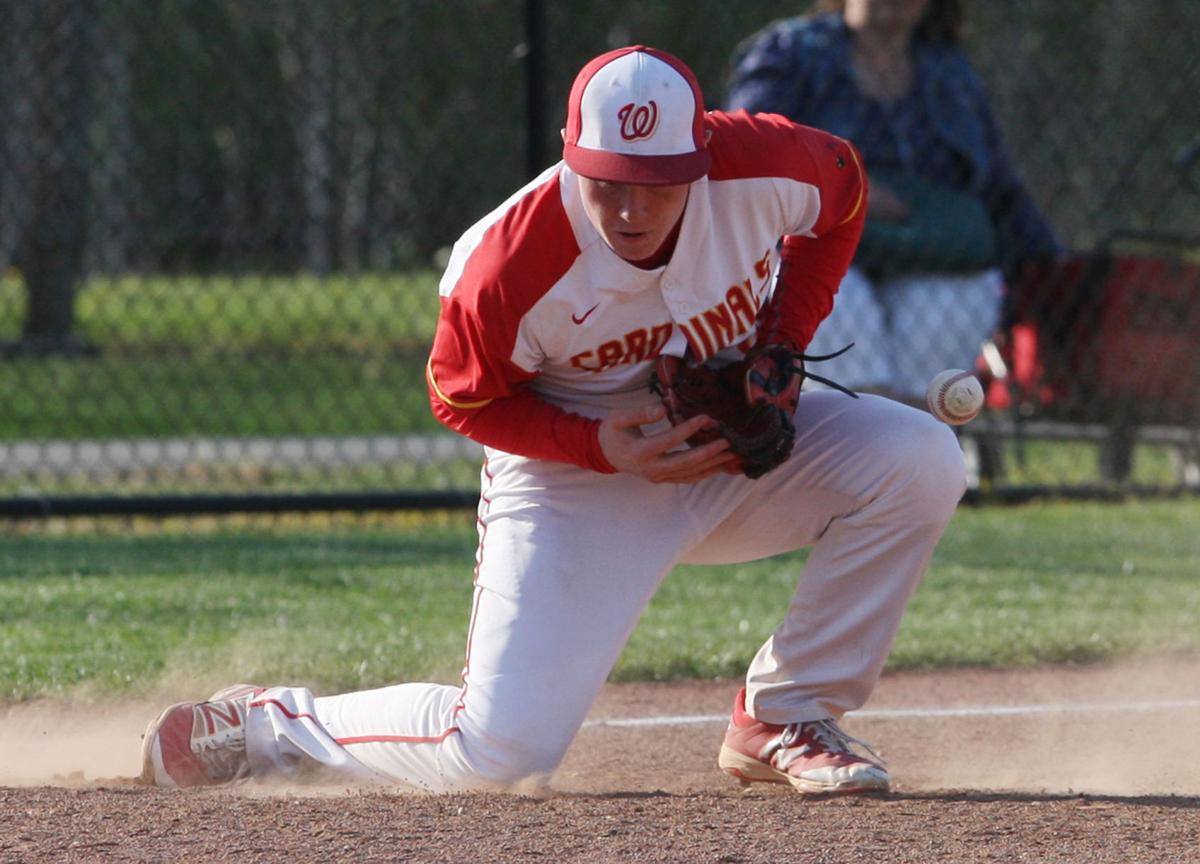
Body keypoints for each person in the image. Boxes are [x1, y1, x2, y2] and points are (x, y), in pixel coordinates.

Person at [140, 45, 965, 796]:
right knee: (496, 751)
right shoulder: (505, 264)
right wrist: (596, 444)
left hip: (724, 453)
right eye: (606, 178)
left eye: (657, 181)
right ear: (571, 157)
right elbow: (460, 397)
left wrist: (783, 345)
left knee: (922, 457)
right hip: (574, 473)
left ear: (700, 159)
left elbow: (845, 196)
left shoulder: (766, 166)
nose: (631, 207)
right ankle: (261, 725)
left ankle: (785, 712)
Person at [727, 0, 1060, 402]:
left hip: (932, 253)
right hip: (817, 242)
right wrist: (846, 188)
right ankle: (853, 440)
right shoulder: (792, 54)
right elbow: (747, 150)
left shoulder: (950, 71)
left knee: (955, 307)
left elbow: (997, 183)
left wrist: (1050, 265)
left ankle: (915, 441)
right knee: (839, 318)